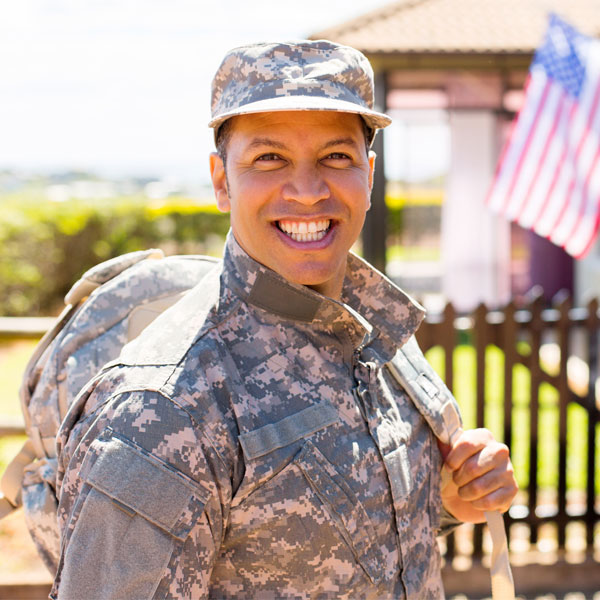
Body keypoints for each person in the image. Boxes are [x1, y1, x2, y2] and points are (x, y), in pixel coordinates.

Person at [52, 40, 517, 599]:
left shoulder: (376, 333)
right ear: (222, 180)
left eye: (336, 157)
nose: (307, 191)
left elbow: (343, 537)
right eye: (269, 158)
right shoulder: (163, 408)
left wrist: (447, 498)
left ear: (367, 175)